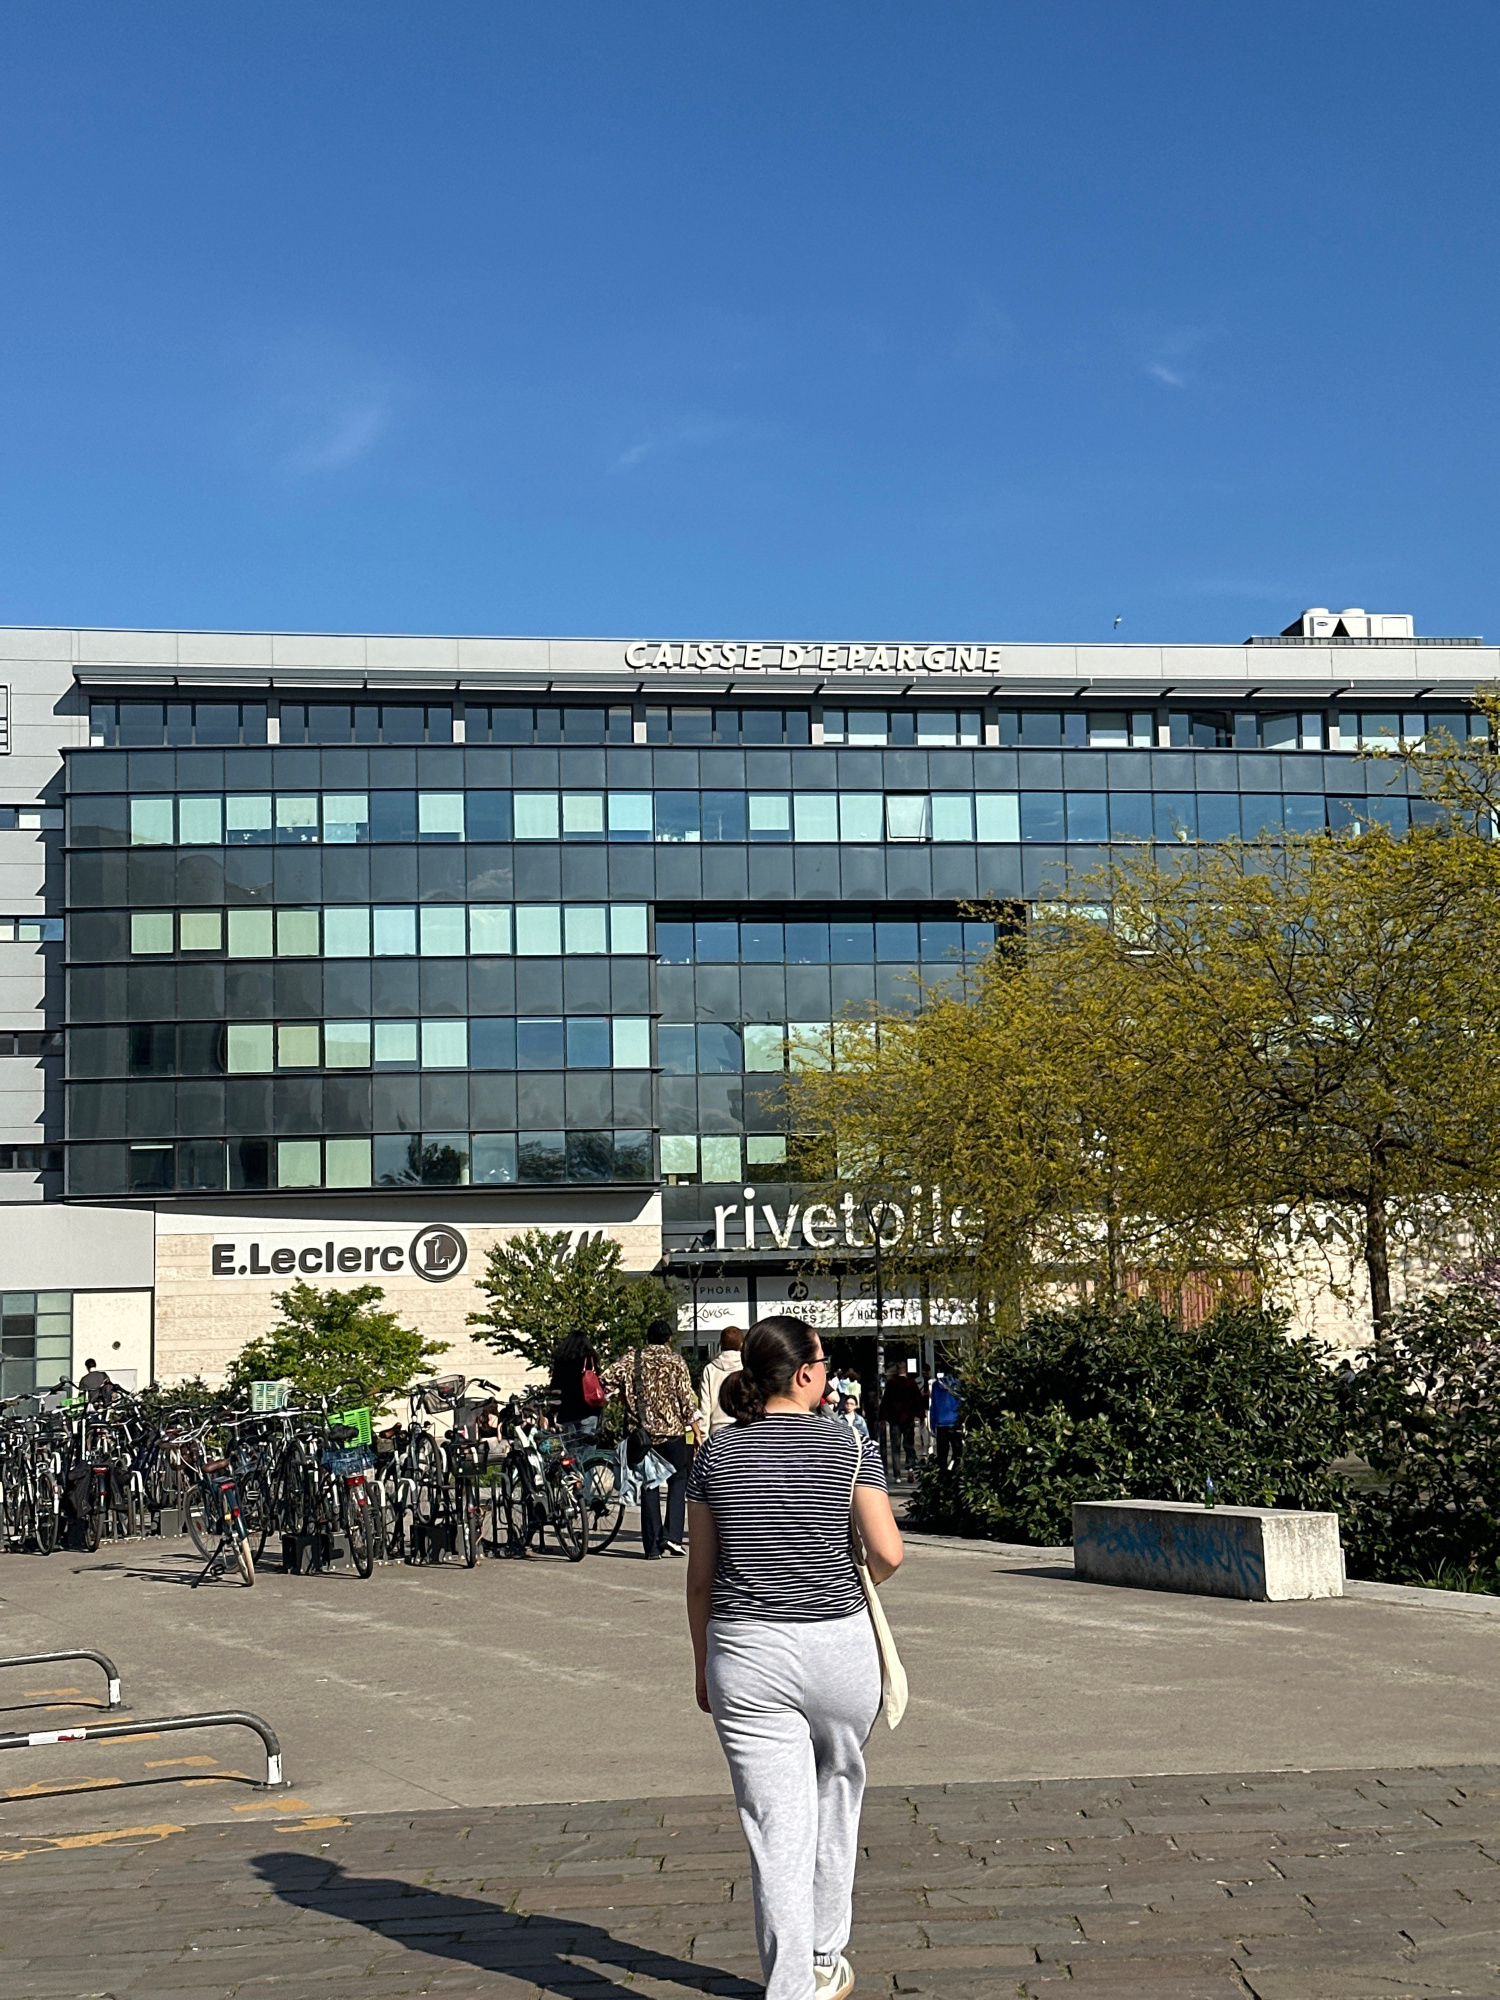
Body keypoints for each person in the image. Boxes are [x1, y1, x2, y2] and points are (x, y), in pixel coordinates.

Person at [686, 1316, 903, 2000]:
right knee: (836, 1796)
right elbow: (888, 1552)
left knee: (774, 1826)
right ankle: (824, 1957)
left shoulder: (716, 1454)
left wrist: (702, 1663)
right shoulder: (850, 1442)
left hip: (745, 1652)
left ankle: (788, 1987)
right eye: (825, 1361)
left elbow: (700, 1578)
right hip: (838, 1646)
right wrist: (848, 1576)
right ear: (806, 1372)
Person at [603, 1318, 698, 1558]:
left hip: (641, 1434)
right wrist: (696, 1430)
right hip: (672, 1432)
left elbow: (604, 1382)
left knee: (649, 1482)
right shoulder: (676, 1361)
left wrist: (625, 1398)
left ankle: (653, 1547)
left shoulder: (631, 1359)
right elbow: (686, 1399)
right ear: (669, 1339)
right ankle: (672, 1536)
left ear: (647, 1338)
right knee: (678, 1479)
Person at [551, 1328, 602, 1441]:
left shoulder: (561, 1360)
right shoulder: (590, 1359)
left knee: (570, 1446)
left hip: (567, 1411)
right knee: (587, 1445)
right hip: (588, 1409)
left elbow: (555, 1385)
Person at [697, 1325, 745, 1438]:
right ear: (741, 1344)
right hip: (743, 1428)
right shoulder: (747, 1368)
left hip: (717, 1431)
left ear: (721, 1344)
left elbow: (704, 1405)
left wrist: (702, 1435)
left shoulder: (710, 1369)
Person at [877, 1365, 924, 1478]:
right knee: (909, 1444)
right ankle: (910, 1467)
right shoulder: (911, 1383)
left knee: (895, 1447)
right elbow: (918, 1400)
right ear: (906, 1371)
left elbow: (886, 1401)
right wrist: (921, 1416)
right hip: (908, 1419)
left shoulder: (891, 1384)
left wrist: (882, 1417)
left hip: (894, 1420)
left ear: (897, 1371)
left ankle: (897, 1475)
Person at [928, 1371, 962, 1470]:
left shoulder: (935, 1385)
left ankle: (943, 1473)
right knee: (957, 1452)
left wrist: (932, 1424)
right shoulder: (957, 1384)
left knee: (942, 1454)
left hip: (940, 1422)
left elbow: (933, 1405)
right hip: (954, 1421)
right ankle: (953, 1470)